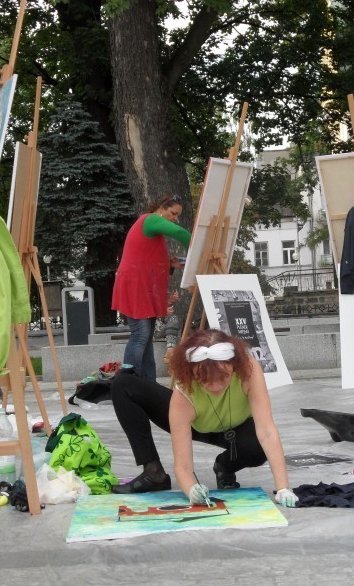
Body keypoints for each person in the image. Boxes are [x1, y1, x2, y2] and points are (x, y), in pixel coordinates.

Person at [109, 329, 298, 508]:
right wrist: (191, 489)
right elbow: (183, 465)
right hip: (196, 424)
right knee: (123, 383)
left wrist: (283, 488)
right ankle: (153, 472)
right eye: (205, 380)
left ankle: (225, 465)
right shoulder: (182, 395)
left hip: (235, 430)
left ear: (235, 365)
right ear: (191, 373)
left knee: (257, 447)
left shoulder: (248, 370)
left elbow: (267, 431)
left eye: (223, 378)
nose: (215, 387)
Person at [112, 195, 191, 381]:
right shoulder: (151, 219)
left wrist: (176, 263)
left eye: (178, 215)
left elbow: (153, 260)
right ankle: (128, 382)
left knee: (146, 339)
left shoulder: (151, 226)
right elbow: (182, 234)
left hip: (141, 286)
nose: (175, 218)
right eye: (173, 213)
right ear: (162, 208)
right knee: (141, 335)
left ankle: (148, 384)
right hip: (136, 285)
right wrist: (197, 253)